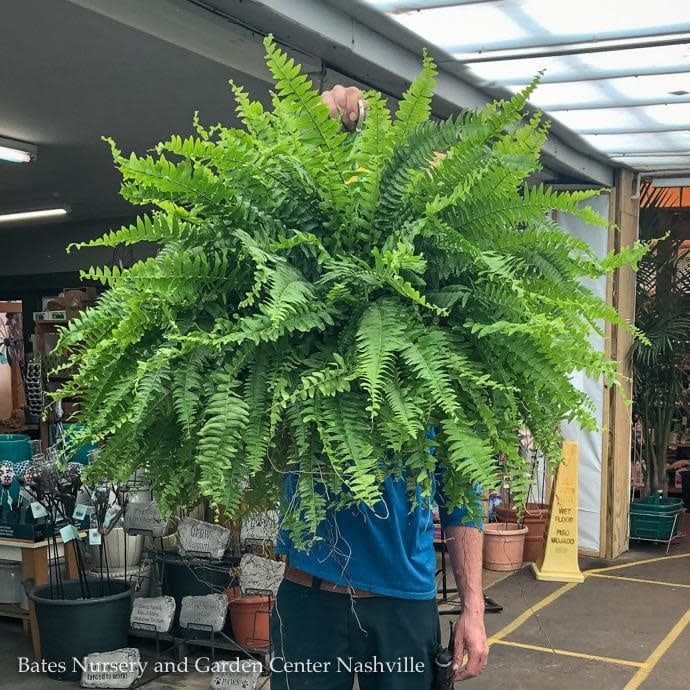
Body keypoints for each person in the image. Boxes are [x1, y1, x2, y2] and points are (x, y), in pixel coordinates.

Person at [269, 85, 489, 690]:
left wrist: (472, 608)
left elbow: (465, 495)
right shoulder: (299, 333)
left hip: (403, 604)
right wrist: (319, 132)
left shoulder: (449, 360)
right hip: (309, 597)